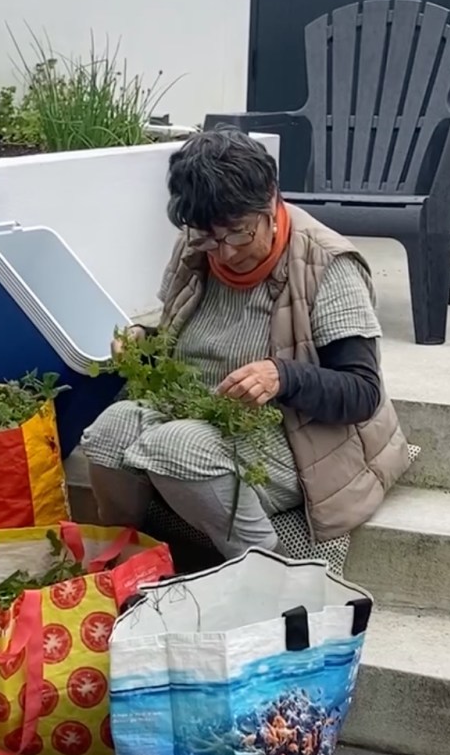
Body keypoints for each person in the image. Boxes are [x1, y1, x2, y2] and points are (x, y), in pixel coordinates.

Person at [81, 128, 410, 558]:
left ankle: (265, 571)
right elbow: (186, 337)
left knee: (177, 447)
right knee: (110, 430)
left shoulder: (327, 265)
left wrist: (282, 376)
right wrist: (144, 343)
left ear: (271, 201)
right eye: (206, 237)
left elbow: (362, 392)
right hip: (196, 411)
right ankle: (129, 561)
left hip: (292, 432)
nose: (224, 253)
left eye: (238, 233)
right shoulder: (195, 247)